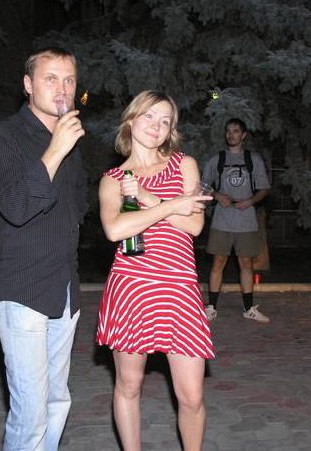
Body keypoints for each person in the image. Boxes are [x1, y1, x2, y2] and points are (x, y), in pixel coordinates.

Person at [0, 46, 88, 450]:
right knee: (31, 412)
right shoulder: (3, 136)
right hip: (21, 287)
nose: (62, 89)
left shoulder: (69, 140)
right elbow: (15, 207)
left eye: (69, 80)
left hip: (63, 286)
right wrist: (56, 149)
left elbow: (78, 206)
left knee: (57, 400)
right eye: (50, 78)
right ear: (28, 84)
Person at [97, 90, 214, 451]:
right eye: (149, 116)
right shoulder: (114, 178)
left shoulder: (184, 165)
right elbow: (115, 230)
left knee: (192, 395)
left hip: (179, 290)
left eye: (165, 121)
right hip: (132, 289)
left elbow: (194, 225)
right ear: (131, 120)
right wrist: (173, 206)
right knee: (129, 386)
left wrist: (150, 199)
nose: (156, 126)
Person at [202, 118, 271, 323]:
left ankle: (249, 308)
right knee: (218, 262)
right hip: (222, 220)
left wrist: (250, 201)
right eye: (228, 131)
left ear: (243, 135)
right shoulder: (217, 159)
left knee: (246, 264)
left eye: (235, 131)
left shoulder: (253, 159)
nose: (231, 135)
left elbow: (264, 188)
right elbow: (202, 186)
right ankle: (211, 307)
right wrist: (217, 195)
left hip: (246, 221)